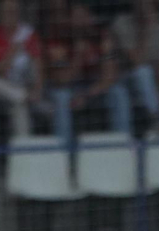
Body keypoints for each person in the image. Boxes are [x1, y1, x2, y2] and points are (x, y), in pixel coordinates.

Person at [47, 2, 131, 139]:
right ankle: (63, 147)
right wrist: (78, 56)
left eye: (84, 16)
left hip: (95, 88)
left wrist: (86, 95)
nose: (81, 21)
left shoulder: (103, 37)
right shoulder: (58, 40)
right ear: (69, 19)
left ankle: (122, 143)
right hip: (70, 89)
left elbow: (110, 76)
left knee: (118, 93)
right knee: (61, 97)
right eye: (76, 17)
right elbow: (61, 80)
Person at [112, 0, 159, 133]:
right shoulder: (121, 23)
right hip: (125, 79)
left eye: (147, 4)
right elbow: (136, 61)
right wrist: (146, 31)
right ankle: (156, 116)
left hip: (151, 82)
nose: (143, 7)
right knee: (143, 72)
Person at [0, 0, 41, 138]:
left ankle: (23, 144)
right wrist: (10, 55)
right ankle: (22, 95)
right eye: (6, 11)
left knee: (18, 103)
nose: (10, 15)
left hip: (22, 85)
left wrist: (38, 89)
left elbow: (38, 64)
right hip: (0, 87)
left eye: (13, 11)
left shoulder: (28, 33)